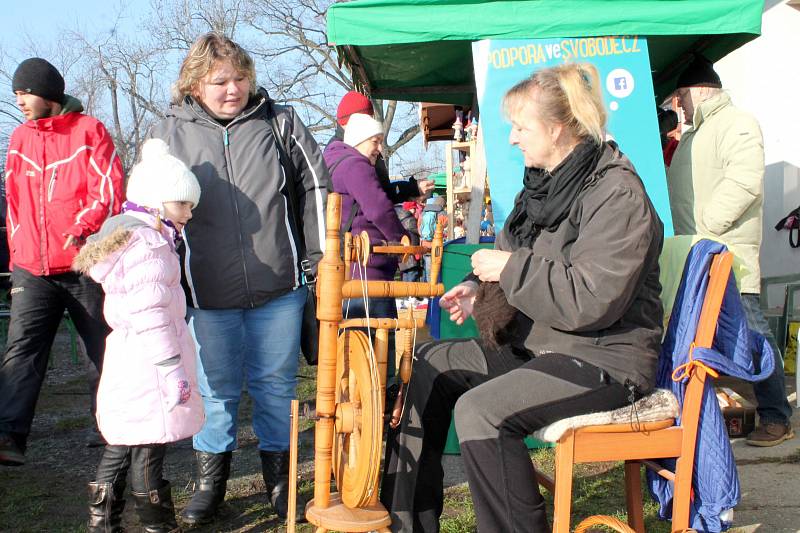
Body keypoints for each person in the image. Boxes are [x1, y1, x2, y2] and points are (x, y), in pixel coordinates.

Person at [380, 63, 664, 532]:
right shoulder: (542, 190)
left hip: (603, 359)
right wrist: (480, 288)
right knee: (427, 366)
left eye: (520, 126)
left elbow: (592, 299)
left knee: (482, 412)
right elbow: (515, 262)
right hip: (542, 344)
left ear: (556, 128)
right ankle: (408, 524)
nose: (511, 138)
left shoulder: (617, 194)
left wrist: (510, 269)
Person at [148, 33, 329, 523]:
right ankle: (211, 485)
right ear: (195, 84)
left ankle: (280, 483)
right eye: (220, 80)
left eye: (241, 77)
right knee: (216, 390)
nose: (233, 88)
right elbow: (147, 202)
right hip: (206, 292)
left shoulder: (280, 122)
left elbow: (316, 186)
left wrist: (319, 257)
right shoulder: (168, 134)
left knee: (276, 385)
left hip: (279, 288)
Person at [74, 138, 205, 533]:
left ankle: (102, 524)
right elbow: (151, 312)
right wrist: (171, 369)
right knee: (149, 446)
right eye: (183, 204)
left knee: (123, 440)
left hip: (131, 357)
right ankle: (157, 526)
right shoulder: (148, 245)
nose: (189, 214)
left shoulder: (134, 240)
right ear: (156, 201)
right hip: (151, 363)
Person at [0, 58, 124, 466]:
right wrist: (16, 246)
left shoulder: (90, 131)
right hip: (31, 268)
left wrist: (84, 226)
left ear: (49, 93)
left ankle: (110, 428)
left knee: (101, 347)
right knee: (22, 349)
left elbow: (109, 188)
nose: (18, 99)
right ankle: (9, 438)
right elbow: (14, 199)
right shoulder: (19, 138)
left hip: (82, 262)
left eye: (25, 91)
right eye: (16, 92)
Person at [667, 55, 794, 447]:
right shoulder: (693, 134)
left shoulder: (737, 124)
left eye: (681, 96)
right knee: (704, 338)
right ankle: (718, 412)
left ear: (699, 90)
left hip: (726, 255)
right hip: (698, 254)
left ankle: (777, 416)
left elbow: (744, 182)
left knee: (752, 336)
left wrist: (707, 227)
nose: (678, 105)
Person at [324, 113, 409, 377]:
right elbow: (379, 208)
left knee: (351, 353)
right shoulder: (355, 166)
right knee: (379, 352)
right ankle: (381, 409)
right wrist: (402, 238)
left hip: (348, 273)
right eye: (376, 141)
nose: (380, 149)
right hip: (367, 275)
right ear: (360, 140)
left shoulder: (332, 161)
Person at [331, 91, 436, 203]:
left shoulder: (367, 146)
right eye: (366, 120)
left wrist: (412, 188)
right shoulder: (340, 154)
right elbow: (374, 203)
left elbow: (383, 191)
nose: (380, 148)